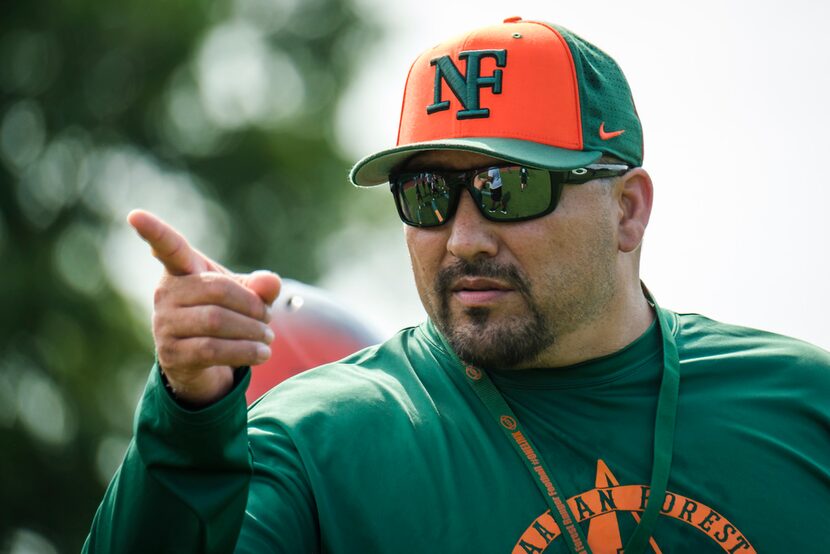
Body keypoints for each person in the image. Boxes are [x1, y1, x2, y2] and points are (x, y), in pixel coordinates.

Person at [84, 17, 829, 554]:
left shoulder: (802, 407)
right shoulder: (319, 443)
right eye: (429, 192)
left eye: (509, 185)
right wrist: (188, 421)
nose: (464, 237)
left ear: (627, 209)